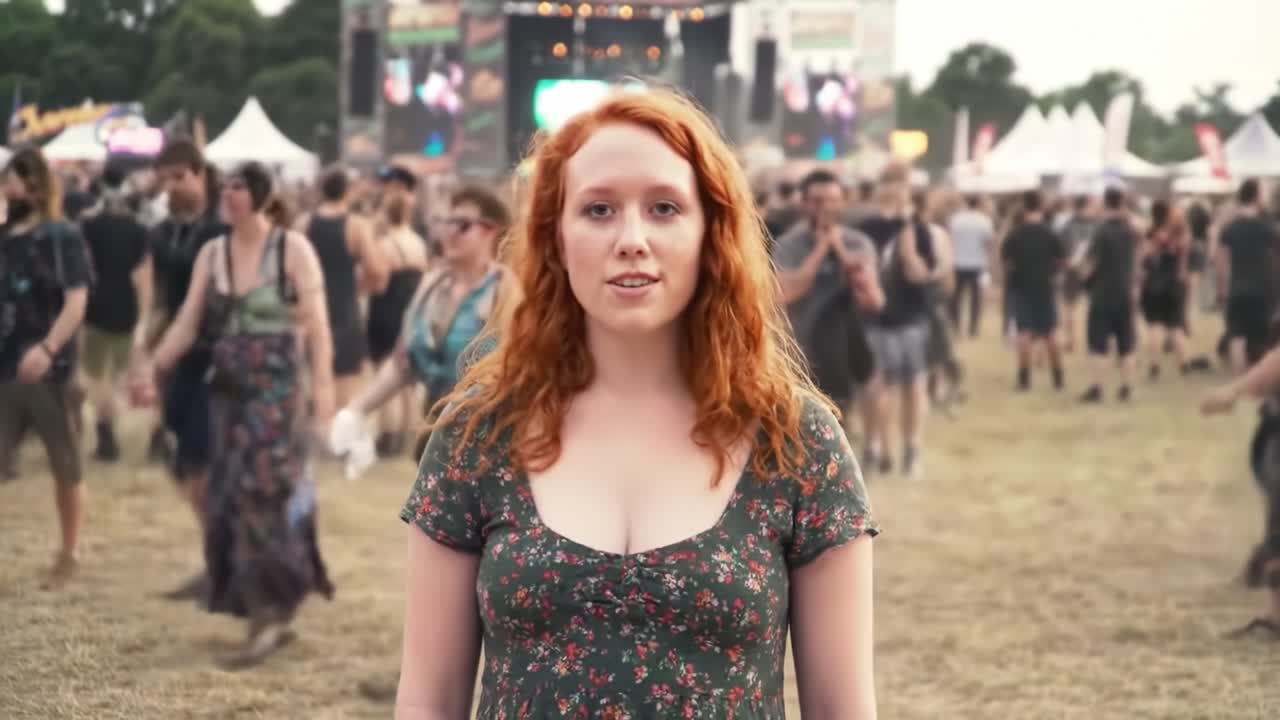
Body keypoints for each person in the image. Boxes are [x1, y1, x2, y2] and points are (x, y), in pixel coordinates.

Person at [395, 88, 878, 718]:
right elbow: (428, 701)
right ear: (555, 237)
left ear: (713, 232)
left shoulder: (797, 442)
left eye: (664, 207)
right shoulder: (476, 436)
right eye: (597, 209)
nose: (631, 238)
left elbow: (842, 709)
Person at [133, 162, 336, 668]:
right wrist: (152, 369)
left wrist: (326, 398)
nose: (228, 195)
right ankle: (263, 607)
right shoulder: (213, 253)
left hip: (276, 396)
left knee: (264, 493)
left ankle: (271, 611)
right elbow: (186, 323)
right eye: (224, 187)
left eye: (239, 187)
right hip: (228, 394)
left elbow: (319, 327)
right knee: (227, 496)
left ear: (262, 195)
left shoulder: (292, 249)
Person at [0, 147, 93, 586]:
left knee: (64, 465)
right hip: (3, 368)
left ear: (34, 186)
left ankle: (70, 554)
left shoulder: (62, 238)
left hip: (48, 370)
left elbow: (76, 301)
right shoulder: (4, 238)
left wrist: (49, 349)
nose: (5, 189)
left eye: (11, 182)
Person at [148, 140, 229, 601]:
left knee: (203, 468)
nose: (172, 185)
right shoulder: (161, 233)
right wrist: (148, 349)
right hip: (177, 357)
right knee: (182, 468)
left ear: (200, 174)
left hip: (214, 359)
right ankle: (214, 561)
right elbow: (163, 299)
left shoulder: (222, 230)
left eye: (180, 176)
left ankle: (221, 567)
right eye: (166, 177)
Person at [773, 170, 884, 435]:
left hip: (853, 342)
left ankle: (869, 451)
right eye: (817, 200)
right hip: (804, 345)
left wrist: (846, 258)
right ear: (804, 203)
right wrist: (821, 248)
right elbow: (784, 294)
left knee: (861, 399)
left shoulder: (857, 242)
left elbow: (874, 300)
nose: (825, 207)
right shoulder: (789, 245)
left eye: (832, 200)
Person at [858, 164, 939, 478]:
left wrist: (908, 250)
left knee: (914, 386)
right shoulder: (867, 228)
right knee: (876, 387)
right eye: (889, 183)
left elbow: (922, 275)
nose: (894, 190)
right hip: (874, 318)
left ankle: (911, 450)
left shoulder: (919, 231)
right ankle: (875, 448)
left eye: (900, 184)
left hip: (912, 318)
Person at [79, 165, 152, 461]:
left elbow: (83, 267)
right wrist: (143, 320)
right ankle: (109, 431)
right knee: (117, 375)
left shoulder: (88, 225)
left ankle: (104, 432)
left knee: (95, 376)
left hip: (95, 305)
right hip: (125, 306)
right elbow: (143, 277)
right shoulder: (138, 228)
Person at [299, 167, 388, 408]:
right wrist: (362, 286)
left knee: (313, 392)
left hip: (311, 314)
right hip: (345, 312)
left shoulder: (304, 223)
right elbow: (377, 272)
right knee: (346, 395)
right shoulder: (356, 226)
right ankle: (338, 444)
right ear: (347, 192)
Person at [364, 193, 430, 458]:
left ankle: (388, 435)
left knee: (386, 372)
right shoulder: (417, 242)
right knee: (409, 378)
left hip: (387, 310)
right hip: (412, 311)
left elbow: (378, 282)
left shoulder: (384, 244)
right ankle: (409, 433)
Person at [1078, 187, 1139, 403]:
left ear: (1105, 202)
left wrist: (1084, 279)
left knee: (1098, 343)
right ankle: (1126, 386)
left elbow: (1090, 262)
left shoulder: (1100, 230)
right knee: (1127, 343)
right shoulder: (1130, 230)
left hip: (1102, 292)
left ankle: (1097, 387)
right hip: (1125, 291)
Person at [1002, 190, 1066, 391]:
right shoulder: (1050, 233)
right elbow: (1062, 260)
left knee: (1024, 333)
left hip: (1021, 287)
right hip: (1045, 287)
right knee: (1051, 333)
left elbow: (1005, 261)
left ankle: (1024, 378)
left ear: (1024, 206)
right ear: (1041, 206)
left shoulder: (1015, 234)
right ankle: (1057, 377)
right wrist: (1051, 272)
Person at [1216, 179, 1278, 374]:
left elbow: (1222, 262)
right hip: (1264, 288)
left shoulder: (1230, 228)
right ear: (1256, 196)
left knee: (1236, 335)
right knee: (1264, 336)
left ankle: (1238, 377)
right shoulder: (1267, 228)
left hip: (1237, 287)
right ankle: (1260, 378)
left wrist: (1223, 288)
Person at [1139, 200, 1191, 379]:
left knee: (1154, 326)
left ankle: (1154, 365)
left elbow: (1145, 258)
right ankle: (1184, 364)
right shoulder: (1179, 233)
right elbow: (1183, 259)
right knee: (1176, 326)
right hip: (1173, 284)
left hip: (1154, 284)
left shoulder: (1151, 232)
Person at [948, 194, 994, 338]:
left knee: (956, 297)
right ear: (979, 204)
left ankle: (956, 325)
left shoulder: (955, 219)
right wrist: (989, 260)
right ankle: (973, 328)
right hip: (977, 262)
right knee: (976, 297)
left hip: (957, 262)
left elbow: (949, 239)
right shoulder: (984, 221)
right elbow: (988, 242)